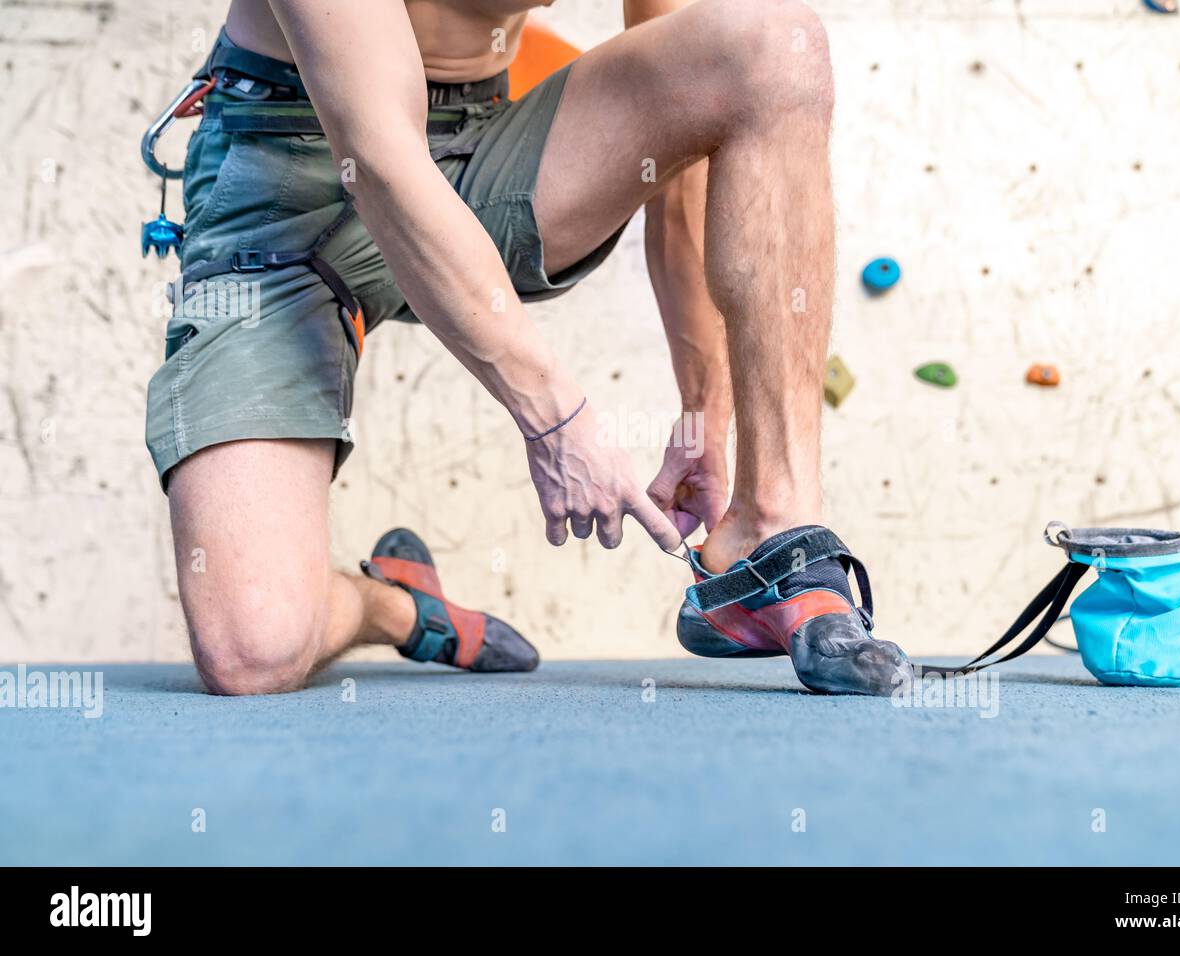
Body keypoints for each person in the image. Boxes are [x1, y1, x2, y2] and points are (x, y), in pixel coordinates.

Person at [146, 0, 910, 696]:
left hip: (484, 151)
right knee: (252, 651)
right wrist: (554, 418)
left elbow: (685, 152)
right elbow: (378, 159)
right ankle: (399, 607)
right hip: (288, 182)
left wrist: (702, 417)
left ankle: (770, 528)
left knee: (773, 45)